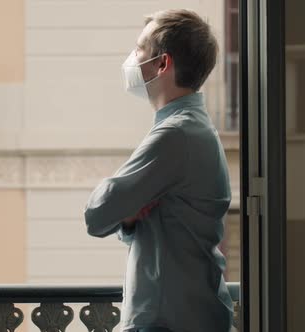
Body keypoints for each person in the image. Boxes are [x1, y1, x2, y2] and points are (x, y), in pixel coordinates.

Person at [83, 9, 233, 332]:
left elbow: (96, 214)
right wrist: (129, 215)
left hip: (170, 323)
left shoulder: (175, 135)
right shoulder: (192, 129)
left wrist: (123, 210)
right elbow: (156, 229)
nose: (132, 59)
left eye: (140, 49)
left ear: (162, 64)